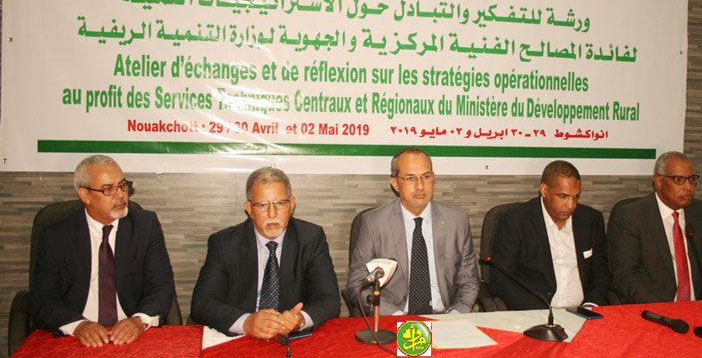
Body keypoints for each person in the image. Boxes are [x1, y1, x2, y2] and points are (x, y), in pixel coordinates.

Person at [29, 155, 176, 347]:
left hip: (132, 335)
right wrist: (78, 326)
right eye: (108, 189)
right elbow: (42, 299)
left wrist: (139, 320)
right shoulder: (55, 236)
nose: (121, 195)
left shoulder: (145, 225)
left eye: (122, 185)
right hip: (76, 337)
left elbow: (161, 286)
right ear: (85, 195)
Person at [191, 167, 339, 339]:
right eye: (262, 205)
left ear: (291, 204)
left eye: (280, 204)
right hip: (241, 339)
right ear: (249, 208)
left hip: (292, 340)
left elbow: (329, 299)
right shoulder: (225, 243)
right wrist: (246, 322)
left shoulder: (311, 238)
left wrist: (300, 319)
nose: (272, 214)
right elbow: (202, 303)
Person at [346, 147, 478, 315]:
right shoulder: (374, 223)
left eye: (426, 177)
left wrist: (455, 315)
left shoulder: (457, 221)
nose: (420, 186)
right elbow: (357, 284)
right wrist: (396, 317)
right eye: (410, 178)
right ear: (395, 183)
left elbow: (469, 281)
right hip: (395, 316)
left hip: (445, 316)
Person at [607, 151, 702, 304]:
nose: (688, 187)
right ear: (659, 181)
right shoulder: (631, 217)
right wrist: (666, 310)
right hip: (656, 308)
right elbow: (626, 277)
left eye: (692, 179)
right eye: (679, 180)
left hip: (701, 307)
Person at [488, 160, 610, 310]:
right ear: (544, 190)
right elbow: (500, 280)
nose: (571, 205)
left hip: (584, 311)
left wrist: (591, 304)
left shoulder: (591, 220)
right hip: (536, 312)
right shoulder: (516, 221)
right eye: (563, 196)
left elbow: (601, 272)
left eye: (576, 197)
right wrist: (543, 312)